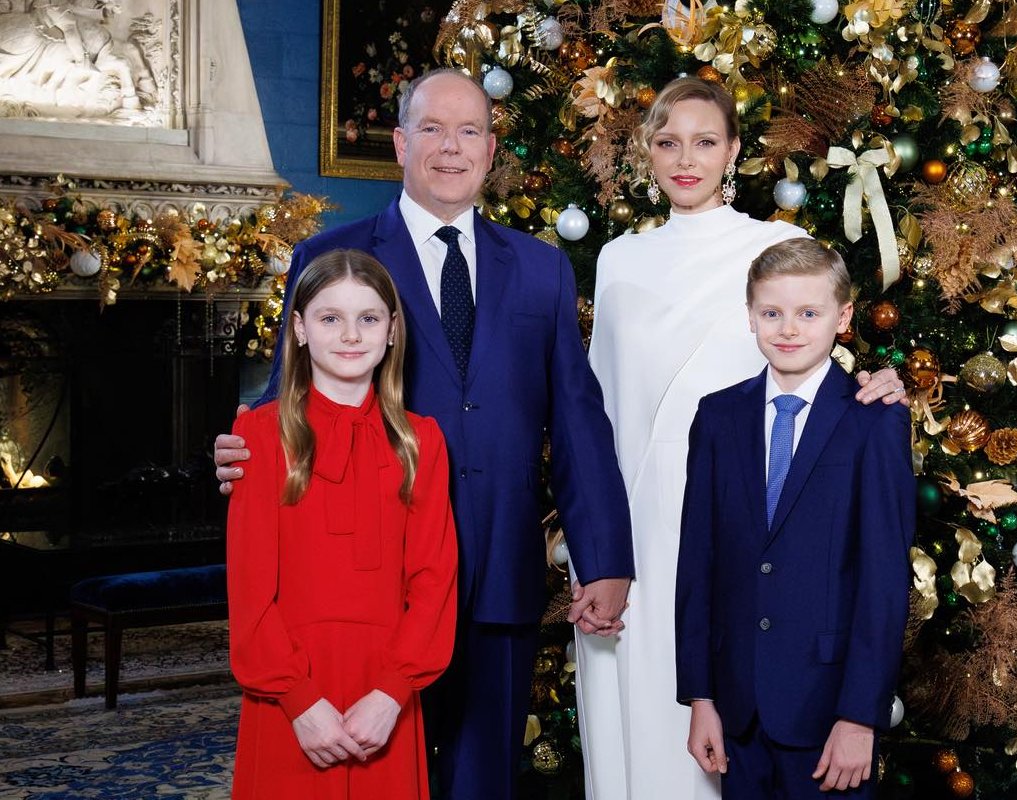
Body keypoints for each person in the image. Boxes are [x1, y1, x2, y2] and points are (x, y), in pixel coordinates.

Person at [214, 68, 634, 800]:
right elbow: (289, 398)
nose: (450, 147)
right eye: (432, 129)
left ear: (491, 150)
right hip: (371, 596)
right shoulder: (334, 256)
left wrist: (603, 559)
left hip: (499, 570)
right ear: (402, 143)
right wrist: (238, 453)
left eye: (469, 131)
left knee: (481, 781)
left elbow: (577, 420)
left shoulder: (541, 269)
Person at [576, 77, 907, 800]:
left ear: (732, 151)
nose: (685, 159)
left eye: (704, 142)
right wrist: (595, 551)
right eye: (667, 142)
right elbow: (596, 416)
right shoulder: (618, 260)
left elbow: (814, 343)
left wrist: (882, 382)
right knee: (645, 727)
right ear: (648, 151)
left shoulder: (779, 244)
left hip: (749, 530)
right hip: (640, 532)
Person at [676, 237, 915, 798]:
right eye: (772, 313)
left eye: (809, 313)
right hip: (737, 709)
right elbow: (697, 564)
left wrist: (860, 716)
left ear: (843, 317)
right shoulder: (716, 417)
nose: (788, 329)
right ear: (750, 315)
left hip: (829, 711)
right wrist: (701, 696)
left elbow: (883, 580)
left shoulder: (875, 420)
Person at [227, 249, 458, 798]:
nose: (351, 335)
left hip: (384, 697)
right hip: (291, 697)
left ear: (392, 330)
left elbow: (435, 581)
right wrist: (298, 700)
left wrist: (392, 693)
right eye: (330, 318)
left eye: (368, 318)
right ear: (299, 329)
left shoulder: (421, 441)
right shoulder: (259, 437)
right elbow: (250, 590)